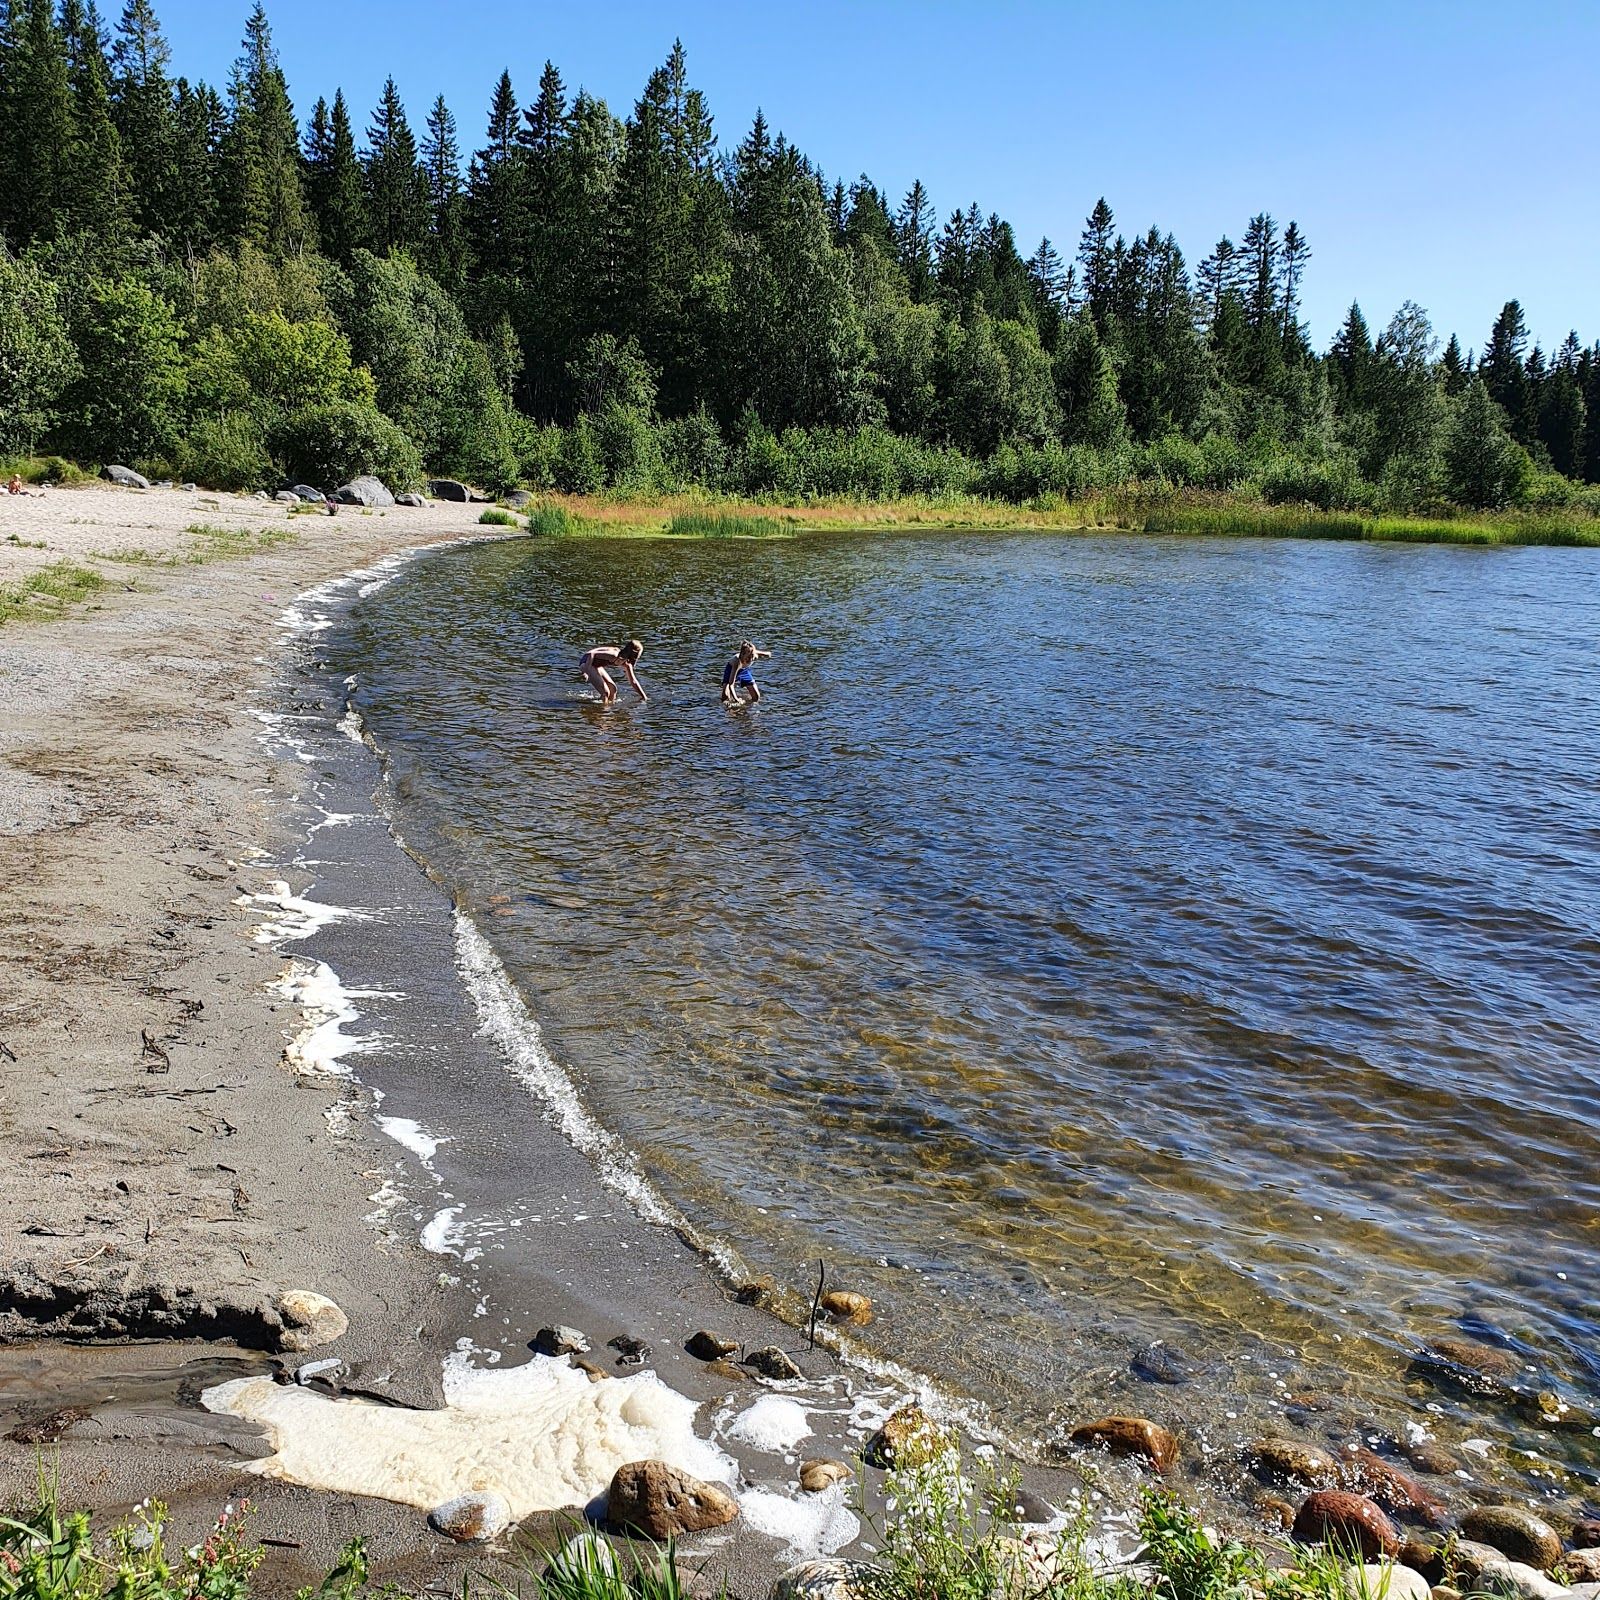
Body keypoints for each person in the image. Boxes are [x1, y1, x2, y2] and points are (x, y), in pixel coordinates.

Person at [578, 639, 647, 705]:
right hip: (586, 662)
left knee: (613, 689)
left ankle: (608, 709)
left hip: (596, 665)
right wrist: (587, 672)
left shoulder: (626, 663)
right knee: (605, 692)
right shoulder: (614, 655)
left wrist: (644, 697)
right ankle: (603, 712)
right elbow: (592, 654)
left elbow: (633, 681)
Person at [721, 640, 772, 705]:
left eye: (752, 656)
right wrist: (736, 699)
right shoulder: (736, 661)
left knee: (756, 697)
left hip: (744, 671)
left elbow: (757, 652)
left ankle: (750, 708)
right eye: (748, 657)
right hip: (731, 669)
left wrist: (767, 654)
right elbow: (731, 684)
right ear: (742, 654)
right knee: (725, 698)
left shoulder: (754, 656)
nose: (750, 659)